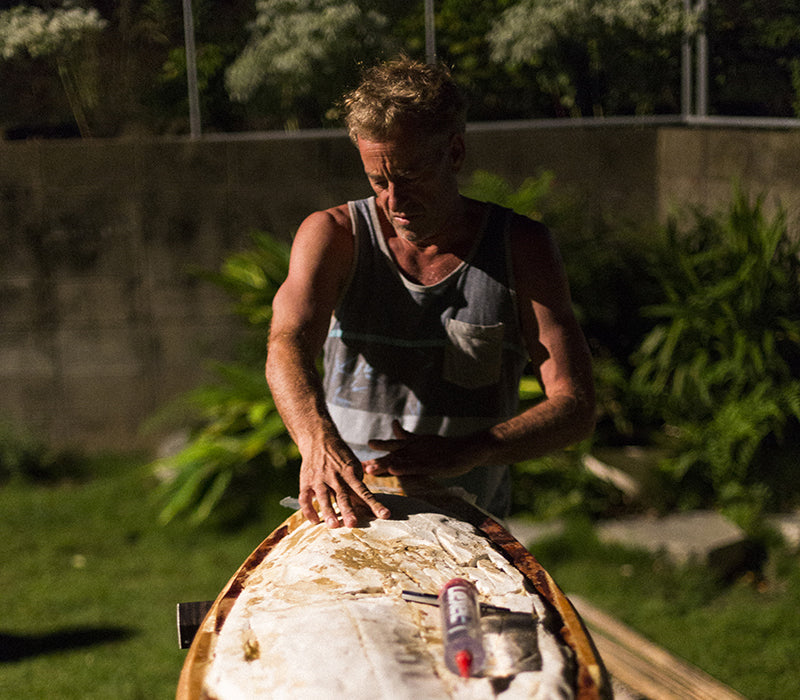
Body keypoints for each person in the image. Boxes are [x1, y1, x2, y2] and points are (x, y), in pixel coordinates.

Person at [266, 56, 595, 529]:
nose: (395, 202)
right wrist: (317, 443)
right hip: (347, 521)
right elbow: (286, 342)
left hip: (471, 528)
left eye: (411, 176)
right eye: (378, 181)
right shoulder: (335, 235)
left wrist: (471, 450)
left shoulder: (521, 247)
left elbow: (575, 406)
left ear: (455, 153)